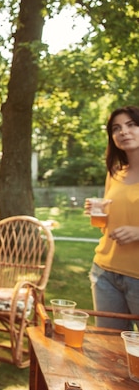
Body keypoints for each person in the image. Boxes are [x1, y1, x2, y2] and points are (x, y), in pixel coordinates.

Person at [85, 105, 139, 330]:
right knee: (108, 351)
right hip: (105, 272)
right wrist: (97, 212)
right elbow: (106, 227)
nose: (123, 132)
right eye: (116, 128)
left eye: (131, 125)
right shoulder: (115, 173)